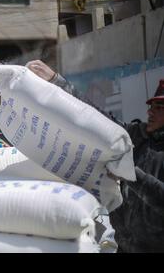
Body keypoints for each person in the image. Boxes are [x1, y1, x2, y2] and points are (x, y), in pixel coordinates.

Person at [26, 59, 164, 253]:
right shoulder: (135, 136)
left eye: (159, 108)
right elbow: (96, 117)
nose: (150, 112)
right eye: (152, 107)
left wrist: (132, 175)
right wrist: (58, 82)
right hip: (120, 246)